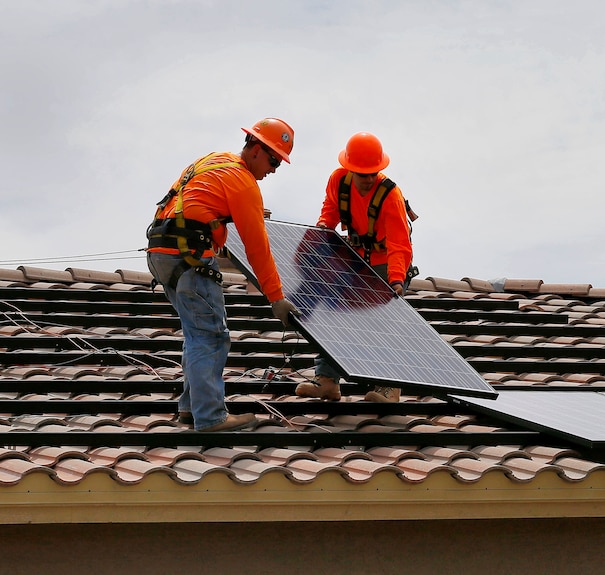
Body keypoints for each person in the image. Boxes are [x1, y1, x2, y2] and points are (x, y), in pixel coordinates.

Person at [146, 118, 300, 431]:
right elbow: (258, 250)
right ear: (255, 149)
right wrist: (276, 298)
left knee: (196, 332)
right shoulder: (243, 183)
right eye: (273, 160)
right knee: (211, 335)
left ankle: (191, 408)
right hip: (190, 257)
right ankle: (210, 416)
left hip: (161, 251)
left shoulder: (216, 160)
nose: (273, 169)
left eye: (279, 163)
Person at [295, 132, 413, 403]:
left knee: (383, 320)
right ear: (349, 169)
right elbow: (329, 212)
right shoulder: (338, 181)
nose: (369, 179)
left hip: (386, 262)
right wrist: (321, 234)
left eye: (373, 173)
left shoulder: (390, 196)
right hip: (356, 258)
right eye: (363, 174)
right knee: (333, 313)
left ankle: (389, 387)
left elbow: (399, 245)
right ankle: (326, 381)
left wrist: (396, 280)